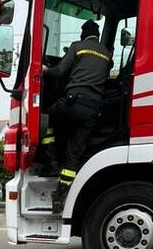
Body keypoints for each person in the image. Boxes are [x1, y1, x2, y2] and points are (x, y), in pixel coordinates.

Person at [40, 19, 113, 213]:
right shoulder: (106, 53)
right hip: (92, 111)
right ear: (97, 35)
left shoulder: (77, 47)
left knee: (45, 120)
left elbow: (59, 72)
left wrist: (45, 69)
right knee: (74, 155)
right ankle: (60, 194)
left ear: (83, 33)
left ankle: (51, 162)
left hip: (72, 103)